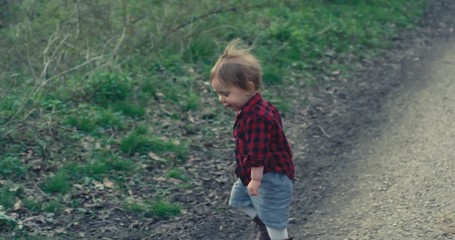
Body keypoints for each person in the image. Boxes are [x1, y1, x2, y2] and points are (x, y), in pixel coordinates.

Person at [210, 39, 295, 240]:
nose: (221, 99)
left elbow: (259, 153)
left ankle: (276, 235)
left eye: (226, 93)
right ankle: (264, 228)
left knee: (274, 216)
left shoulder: (258, 115)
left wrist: (256, 179)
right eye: (218, 94)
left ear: (248, 88)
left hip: (271, 175)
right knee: (238, 198)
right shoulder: (248, 110)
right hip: (253, 174)